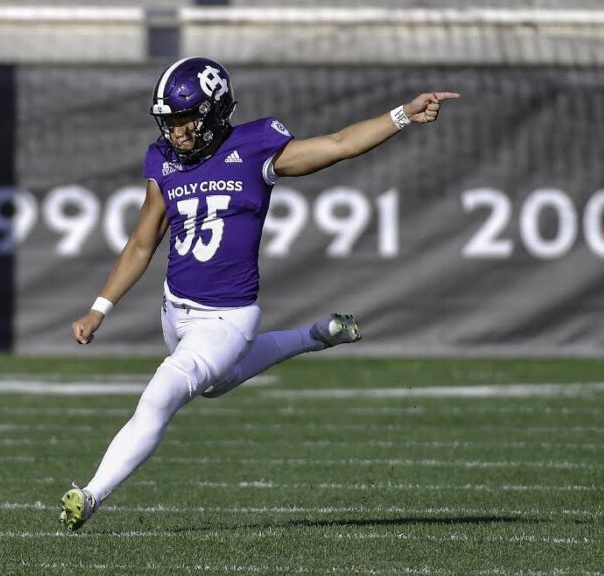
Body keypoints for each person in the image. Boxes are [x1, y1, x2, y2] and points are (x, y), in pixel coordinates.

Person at [59, 57, 459, 531]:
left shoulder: (254, 145)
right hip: (174, 308)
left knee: (162, 394)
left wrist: (401, 115)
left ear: (213, 112)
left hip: (227, 318)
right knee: (213, 387)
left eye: (185, 120)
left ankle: (90, 495)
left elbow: (337, 145)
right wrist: (100, 307)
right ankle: (316, 335)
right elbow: (143, 241)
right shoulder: (162, 159)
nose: (176, 132)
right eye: (168, 122)